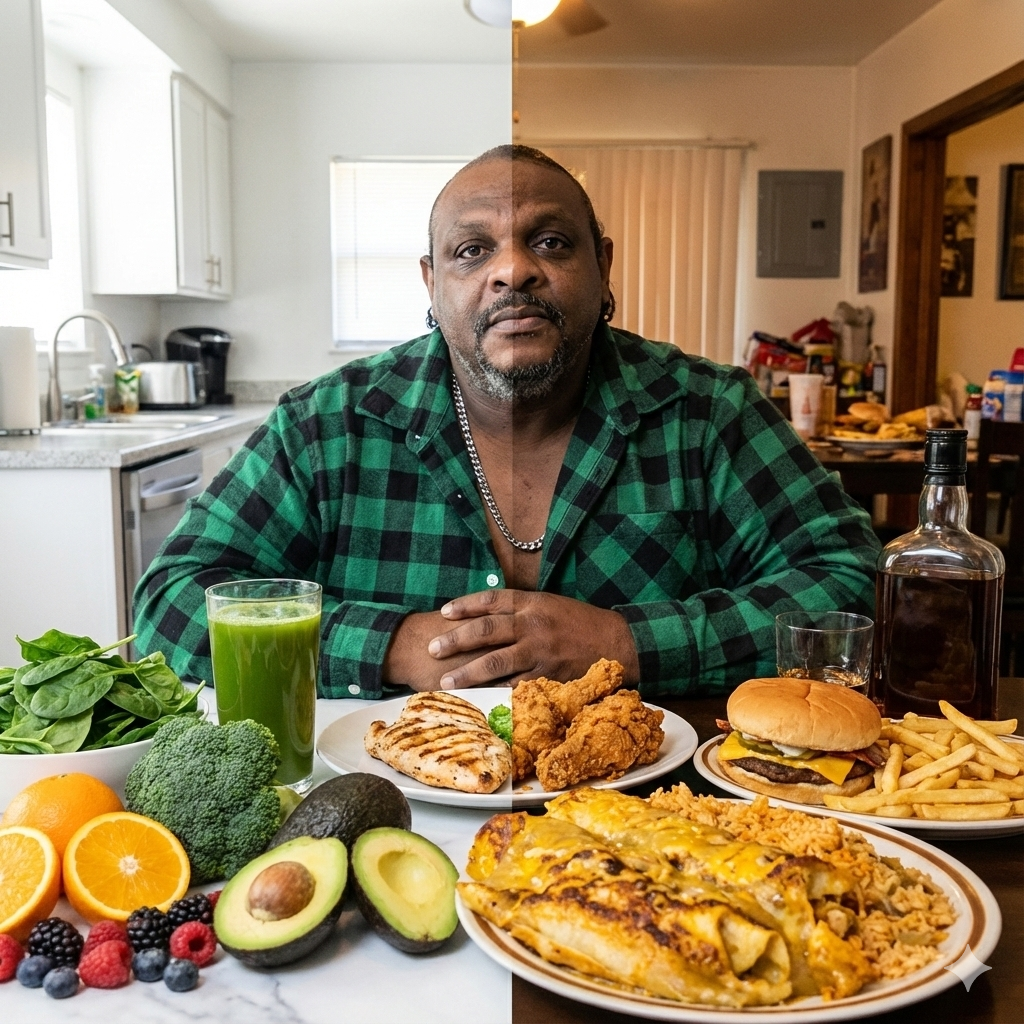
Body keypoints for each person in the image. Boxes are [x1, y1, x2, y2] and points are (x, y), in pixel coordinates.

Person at [135, 145, 879, 699]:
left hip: (664, 825)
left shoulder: (710, 412)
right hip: (385, 817)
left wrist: (627, 641)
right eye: (471, 250)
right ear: (433, 284)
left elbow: (853, 584)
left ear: (603, 267)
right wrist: (396, 645)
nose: (513, 269)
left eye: (551, 242)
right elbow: (171, 601)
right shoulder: (325, 425)